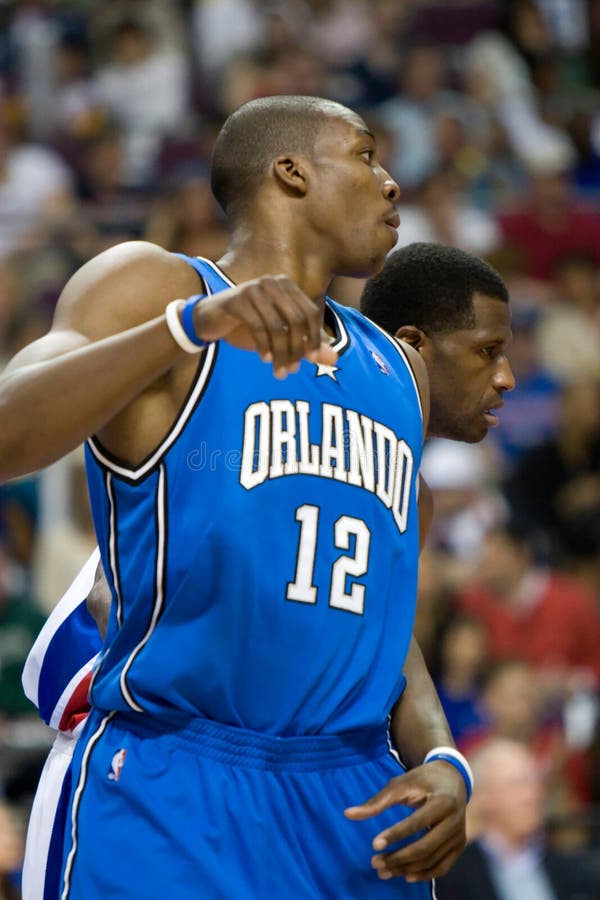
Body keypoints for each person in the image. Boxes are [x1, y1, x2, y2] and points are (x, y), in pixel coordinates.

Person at [18, 239, 515, 898]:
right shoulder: (256, 421)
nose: (505, 377)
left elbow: (385, 644)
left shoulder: (404, 491)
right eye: (487, 352)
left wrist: (442, 755)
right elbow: (139, 586)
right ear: (410, 349)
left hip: (293, 772)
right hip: (145, 743)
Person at [435, 738, 600, 900]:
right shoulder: (453, 875)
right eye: (517, 784)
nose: (532, 795)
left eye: (535, 782)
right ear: (482, 796)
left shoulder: (575, 871)